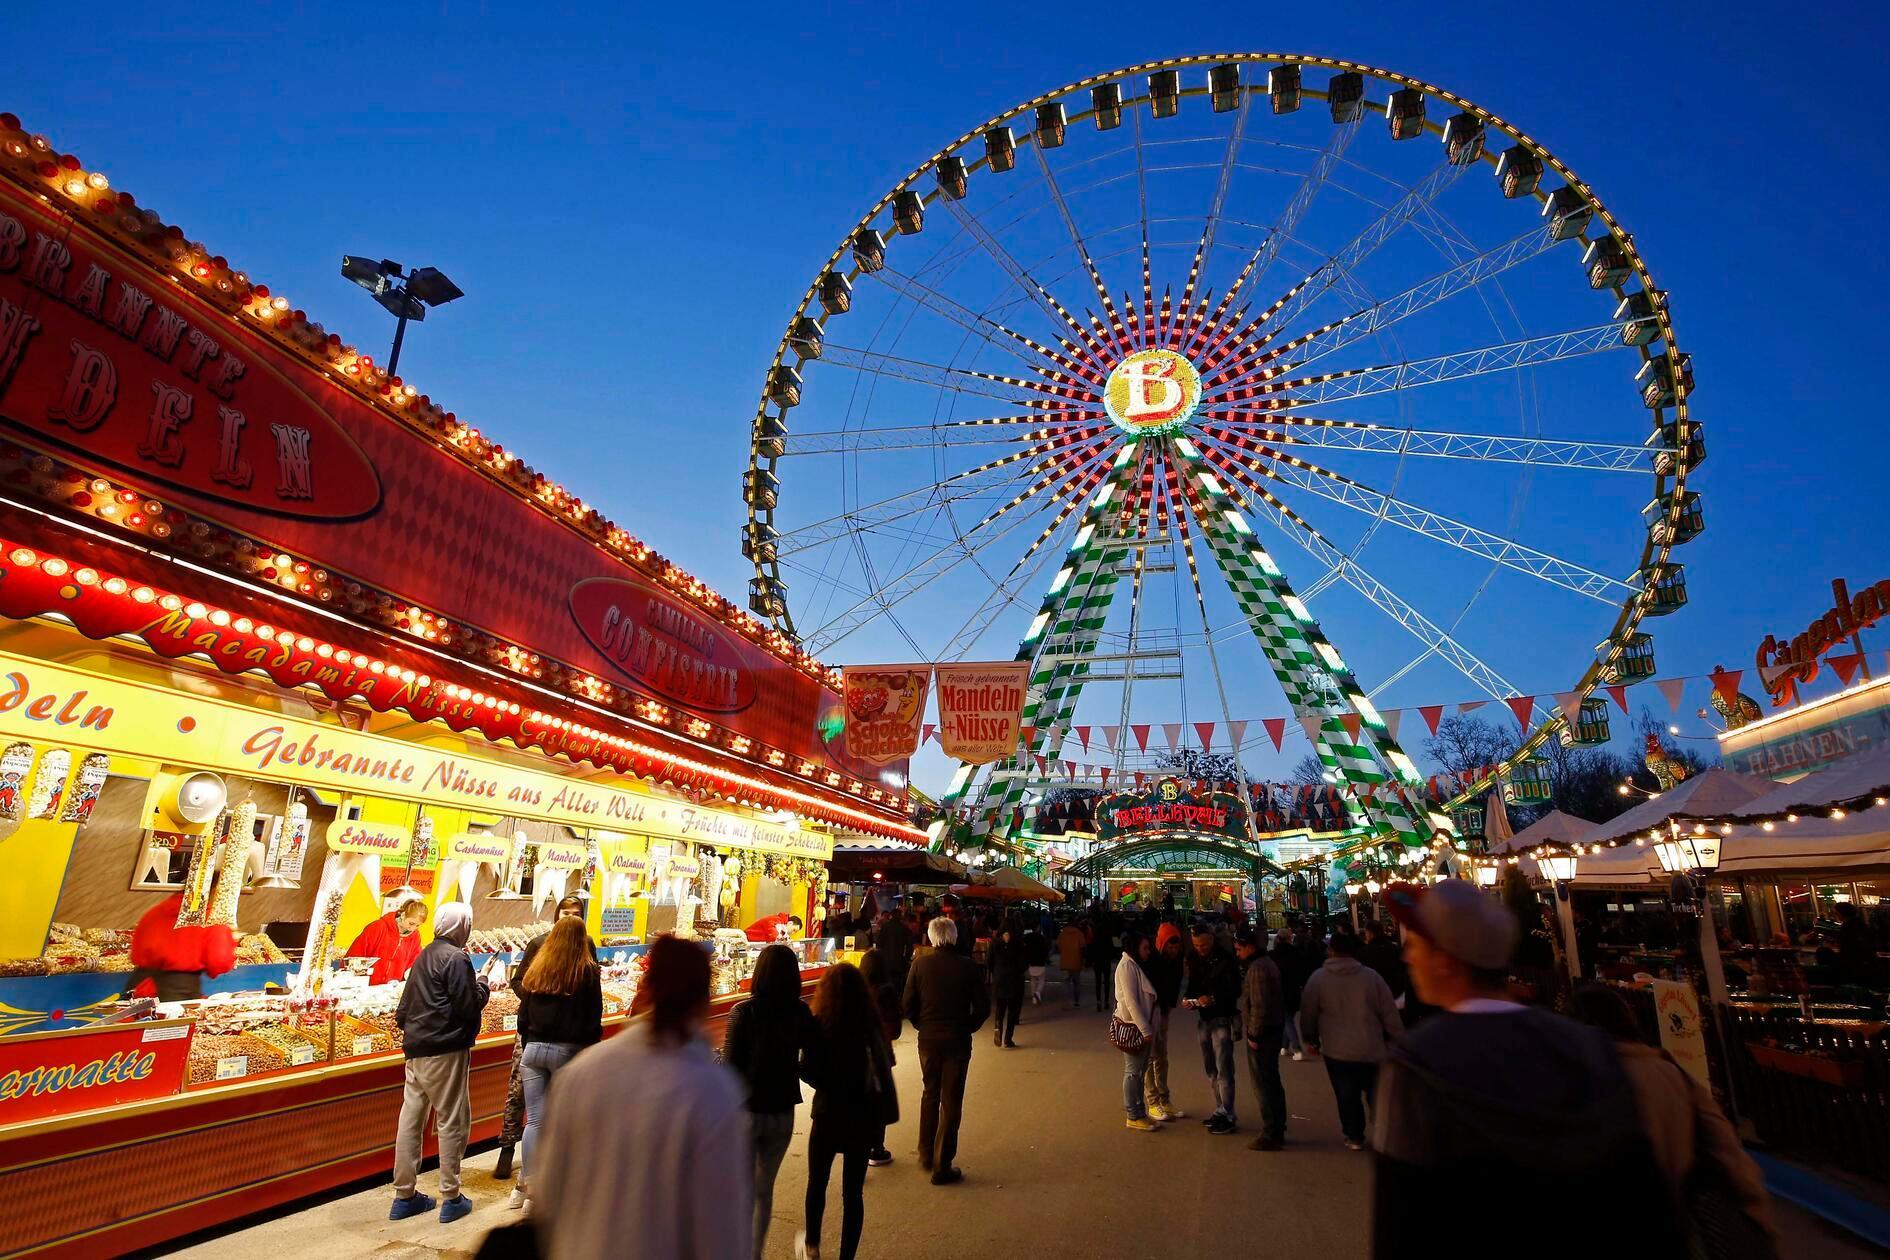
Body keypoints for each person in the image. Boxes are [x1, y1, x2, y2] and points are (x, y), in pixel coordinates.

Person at [1373, 880, 1686, 1257]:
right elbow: (1644, 1194)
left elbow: (1402, 1215)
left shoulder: (1416, 1062)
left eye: (1416, 946)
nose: (1408, 958)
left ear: (1446, 959)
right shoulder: (1586, 1046)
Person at [534, 936, 752, 1259]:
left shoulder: (581, 1073)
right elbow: (721, 1233)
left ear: (645, 988)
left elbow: (547, 1194)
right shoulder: (714, 1093)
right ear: (703, 1002)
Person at [1568, 984, 1777, 1248]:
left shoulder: (1571, 1083)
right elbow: (1730, 1157)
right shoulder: (1672, 1075)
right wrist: (1761, 1229)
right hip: (1677, 1232)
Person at [389, 902, 488, 1224]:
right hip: (445, 1049)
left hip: (415, 1050)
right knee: (451, 1120)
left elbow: (403, 1011)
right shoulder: (456, 958)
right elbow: (468, 1007)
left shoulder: (426, 954)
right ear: (463, 926)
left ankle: (404, 1195)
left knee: (411, 1121)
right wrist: (483, 985)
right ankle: (452, 1196)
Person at [795, 964, 896, 1260]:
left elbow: (807, 1069)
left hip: (827, 1113)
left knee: (817, 1182)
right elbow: (885, 1063)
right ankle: (846, 1257)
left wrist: (824, 1082)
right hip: (862, 1116)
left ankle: (812, 1246)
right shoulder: (870, 1025)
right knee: (853, 1194)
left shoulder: (819, 1024)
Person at [722, 943, 813, 1258]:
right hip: (782, 1111)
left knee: (741, 1188)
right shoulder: (800, 1011)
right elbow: (813, 1058)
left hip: (745, 1110)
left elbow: (729, 1067)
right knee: (764, 1189)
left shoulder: (743, 1012)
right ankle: (753, 1252)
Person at [509, 915, 603, 1210]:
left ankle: (525, 1190)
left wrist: (529, 1045)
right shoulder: (587, 972)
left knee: (535, 1121)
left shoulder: (539, 968)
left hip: (533, 1050)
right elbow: (593, 1019)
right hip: (568, 1052)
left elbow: (523, 1016)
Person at [496, 895, 589, 1181]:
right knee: (518, 1094)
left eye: (575, 912)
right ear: (556, 914)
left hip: (545, 1036)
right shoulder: (538, 944)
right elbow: (519, 982)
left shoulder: (587, 948)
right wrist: (540, 1006)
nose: (570, 916)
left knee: (549, 1112)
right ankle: (507, 1149)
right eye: (565, 912)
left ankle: (532, 1178)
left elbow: (588, 997)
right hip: (535, 1036)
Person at [902, 915, 989, 1184]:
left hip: (928, 1039)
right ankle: (943, 1163)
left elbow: (907, 1004)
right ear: (953, 936)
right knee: (951, 1100)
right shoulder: (968, 967)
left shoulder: (920, 964)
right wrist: (968, 1027)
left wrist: (921, 1024)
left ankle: (926, 1152)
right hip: (957, 1041)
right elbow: (983, 1007)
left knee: (930, 1093)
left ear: (930, 936)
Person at [1298, 928, 1401, 1151]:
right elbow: (1389, 1012)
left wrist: (1310, 1038)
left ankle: (1354, 1135)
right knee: (1377, 1093)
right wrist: (1398, 1039)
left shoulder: (1318, 978)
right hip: (1371, 1046)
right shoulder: (1371, 977)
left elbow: (1308, 1012)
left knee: (1347, 1095)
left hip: (1337, 1050)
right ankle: (1386, 1131)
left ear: (1331, 950)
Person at [1182, 922, 1242, 1135]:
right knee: (1210, 1067)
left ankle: (1228, 1112)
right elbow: (1193, 985)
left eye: (1204, 944)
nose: (1201, 948)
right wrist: (1188, 999)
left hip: (1222, 1018)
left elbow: (1235, 989)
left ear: (1212, 939)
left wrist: (1214, 998)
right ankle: (1220, 1108)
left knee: (1224, 1067)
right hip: (1204, 1018)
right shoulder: (1193, 958)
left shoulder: (1226, 959)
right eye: (1197, 945)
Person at [1235, 926, 1286, 1150]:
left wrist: (1254, 1033)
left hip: (1264, 1033)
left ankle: (1271, 1131)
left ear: (1250, 947)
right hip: (1273, 1028)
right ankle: (1277, 1127)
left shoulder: (1257, 968)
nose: (1237, 953)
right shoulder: (1266, 963)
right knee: (1271, 1081)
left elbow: (1259, 1004)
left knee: (1264, 1083)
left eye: (1239, 949)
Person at [1111, 931, 1162, 1131]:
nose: (1148, 952)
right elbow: (1131, 1002)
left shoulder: (1133, 965)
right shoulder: (1126, 967)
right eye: (1145, 948)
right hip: (1134, 1026)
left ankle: (1139, 1111)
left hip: (1140, 1025)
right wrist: (1145, 1029)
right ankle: (1133, 1113)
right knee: (1133, 1072)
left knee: (1140, 1071)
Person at [858, 947, 904, 1167]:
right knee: (878, 1096)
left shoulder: (855, 990)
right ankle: (877, 1148)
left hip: (856, 1051)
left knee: (860, 1097)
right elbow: (895, 1029)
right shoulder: (886, 991)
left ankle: (859, 1146)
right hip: (880, 1052)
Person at [1142, 923, 1186, 1122]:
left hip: (1163, 1011)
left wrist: (1168, 1008)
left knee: (1161, 1056)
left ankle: (1164, 1099)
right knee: (1151, 1056)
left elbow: (1174, 986)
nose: (1173, 950)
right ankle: (1153, 1101)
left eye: (1176, 946)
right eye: (1170, 946)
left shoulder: (1176, 962)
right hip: (1152, 1011)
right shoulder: (1153, 961)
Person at [344, 890, 428, 986]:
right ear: (403, 914)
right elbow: (356, 955)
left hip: (392, 989)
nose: (413, 928)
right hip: (367, 986)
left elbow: (414, 961)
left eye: (417, 925)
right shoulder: (378, 927)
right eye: (411, 923)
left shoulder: (415, 936)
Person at [987, 914, 1027, 1048]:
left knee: (1000, 1009)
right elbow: (1024, 963)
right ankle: (1008, 1039)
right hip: (1015, 980)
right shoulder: (1019, 941)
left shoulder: (994, 942)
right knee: (1012, 1011)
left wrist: (996, 971)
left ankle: (998, 1027)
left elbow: (989, 961)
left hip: (999, 979)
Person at [1271, 921, 1308, 1060]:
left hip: (1280, 991)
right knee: (1288, 1018)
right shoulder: (1297, 953)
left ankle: (1297, 1048)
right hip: (1294, 990)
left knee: (1287, 1020)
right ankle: (1284, 1047)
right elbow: (1302, 972)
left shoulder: (1274, 955)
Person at [1056, 918, 1088, 1007]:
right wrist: (1084, 962)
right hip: (1076, 962)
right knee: (1077, 983)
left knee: (1066, 983)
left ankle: (1066, 1002)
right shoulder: (1079, 934)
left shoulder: (1062, 934)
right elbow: (1083, 948)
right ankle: (1076, 1001)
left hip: (1065, 963)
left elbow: (1058, 946)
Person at [1022, 921, 1050, 1004]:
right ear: (1038, 928)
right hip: (1040, 960)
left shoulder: (1027, 937)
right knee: (1041, 979)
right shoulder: (1041, 938)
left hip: (1031, 961)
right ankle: (1038, 992)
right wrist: (1046, 959)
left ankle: (1034, 998)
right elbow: (1045, 949)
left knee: (1033, 980)